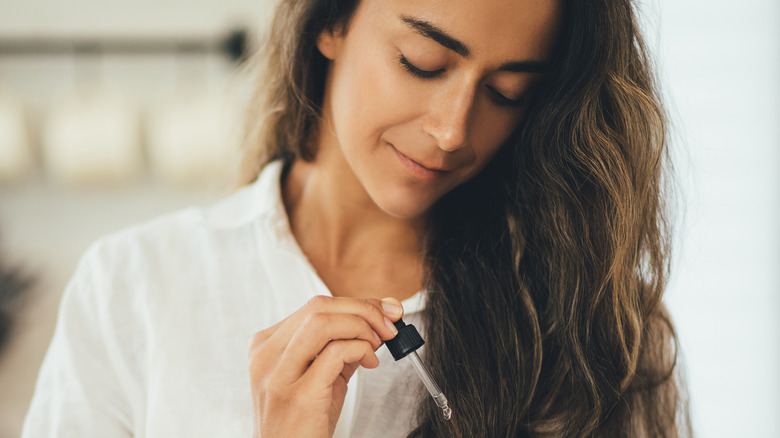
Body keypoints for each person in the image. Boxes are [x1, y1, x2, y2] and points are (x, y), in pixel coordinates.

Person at [23, 0, 690, 436]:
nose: (453, 130)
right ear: (332, 21)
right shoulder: (135, 285)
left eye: (506, 93)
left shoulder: (597, 327)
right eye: (422, 64)